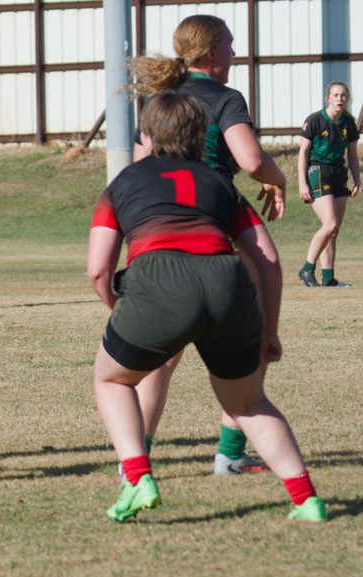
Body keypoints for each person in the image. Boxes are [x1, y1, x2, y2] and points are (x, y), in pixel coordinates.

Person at [88, 91, 326, 523]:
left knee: (112, 379)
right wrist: (268, 330)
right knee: (248, 403)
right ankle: (306, 499)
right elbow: (267, 259)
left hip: (158, 284)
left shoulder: (122, 183)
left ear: (146, 134)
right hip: (227, 282)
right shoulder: (220, 184)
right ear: (202, 135)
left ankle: (138, 477)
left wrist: (121, 312)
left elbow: (99, 271)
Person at [121, 14, 289, 479]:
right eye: (231, 46)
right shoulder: (224, 97)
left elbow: (140, 166)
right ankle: (230, 453)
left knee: (162, 354)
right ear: (212, 53)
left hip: (157, 226)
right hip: (215, 218)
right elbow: (252, 160)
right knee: (249, 337)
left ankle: (137, 460)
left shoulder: (160, 100)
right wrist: (279, 181)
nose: (235, 54)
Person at [297, 81, 361, 288]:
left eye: (343, 95)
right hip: (318, 171)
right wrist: (302, 184)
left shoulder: (348, 123)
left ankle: (328, 278)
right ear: (328, 98)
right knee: (330, 224)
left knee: (334, 230)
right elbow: (303, 153)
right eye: (335, 95)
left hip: (338, 173)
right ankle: (307, 269)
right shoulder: (315, 120)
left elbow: (352, 155)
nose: (340, 99)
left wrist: (358, 181)